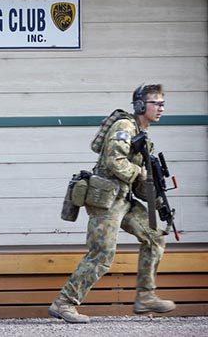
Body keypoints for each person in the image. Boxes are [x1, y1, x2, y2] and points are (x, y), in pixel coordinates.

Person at [49, 84, 175, 323]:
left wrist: (157, 200)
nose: (161, 108)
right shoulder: (124, 127)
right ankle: (64, 303)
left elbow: (140, 183)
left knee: (155, 237)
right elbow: (115, 162)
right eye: (156, 103)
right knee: (102, 254)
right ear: (140, 105)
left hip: (123, 199)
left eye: (162, 103)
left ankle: (146, 296)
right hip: (105, 200)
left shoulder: (143, 136)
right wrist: (140, 173)